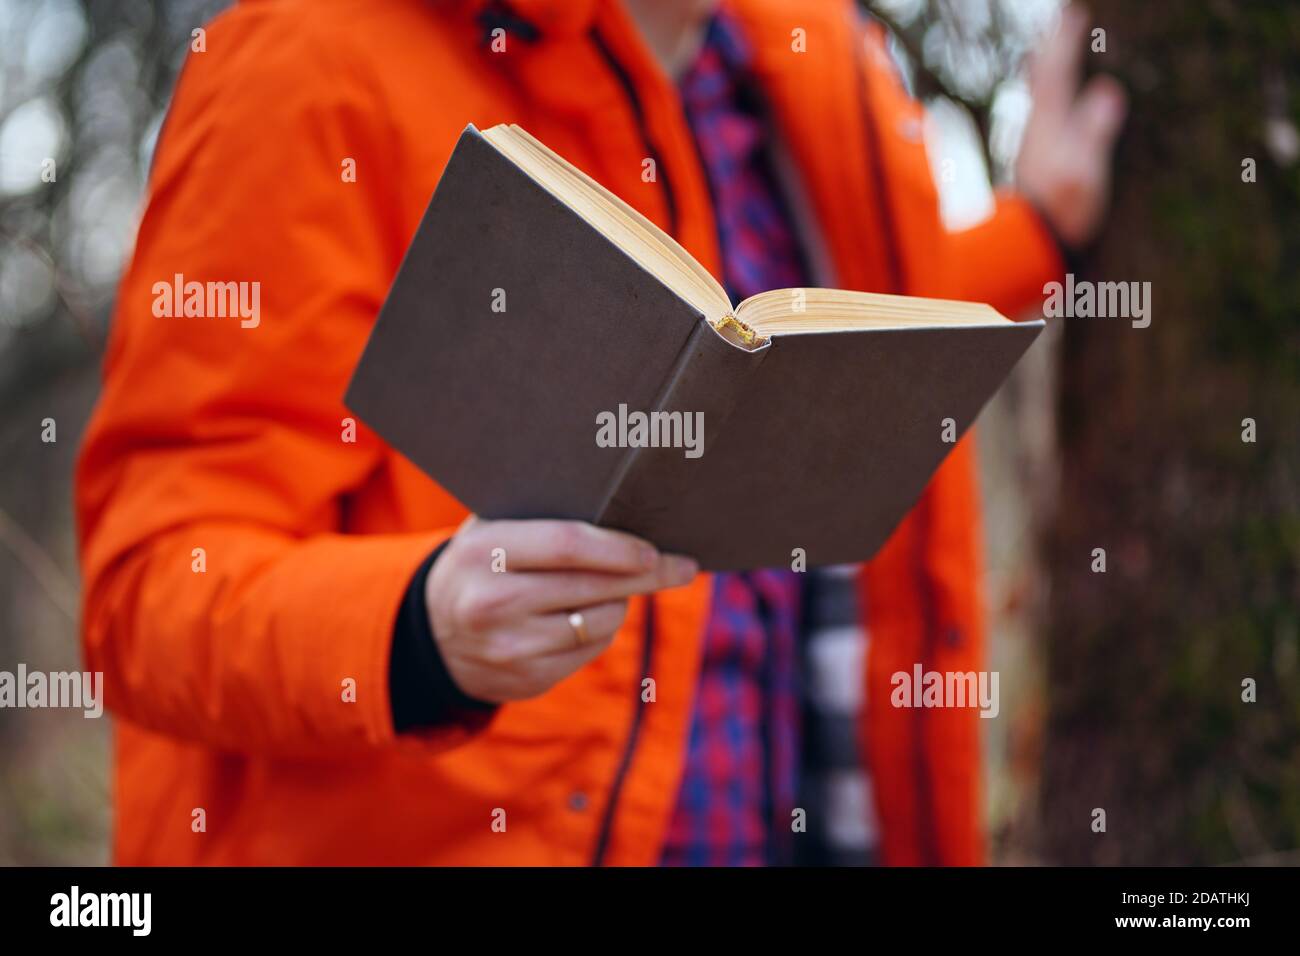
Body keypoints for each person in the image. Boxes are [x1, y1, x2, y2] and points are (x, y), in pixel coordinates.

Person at [76, 0, 1124, 865]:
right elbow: (149, 588)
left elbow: (856, 325)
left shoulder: (821, 71)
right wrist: (415, 631)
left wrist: (1035, 228)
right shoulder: (309, 61)